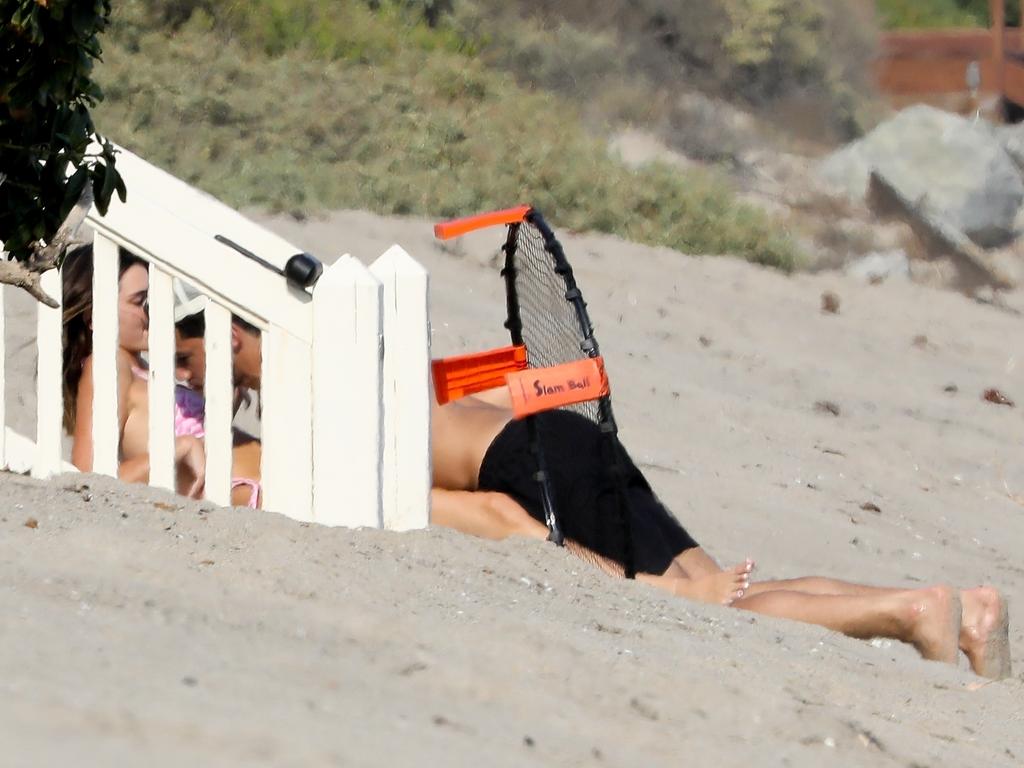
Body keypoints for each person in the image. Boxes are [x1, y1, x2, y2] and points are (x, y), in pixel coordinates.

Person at [430, 391, 1012, 679]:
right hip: (560, 433)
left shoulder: (348, 456)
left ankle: (913, 610)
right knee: (724, 587)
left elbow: (501, 517)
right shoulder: (373, 354)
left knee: (716, 608)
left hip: (529, 463)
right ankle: (967, 614)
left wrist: (662, 593)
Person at [62, 245, 206, 496]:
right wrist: (179, 448)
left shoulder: (139, 368)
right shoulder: (107, 364)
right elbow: (87, 478)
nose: (153, 311)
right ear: (95, 316)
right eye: (140, 302)